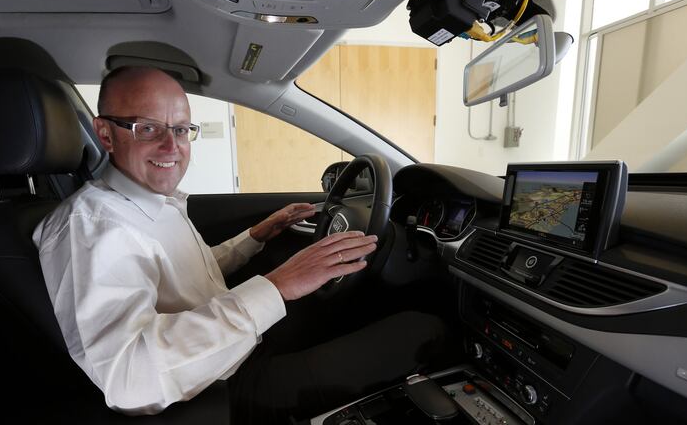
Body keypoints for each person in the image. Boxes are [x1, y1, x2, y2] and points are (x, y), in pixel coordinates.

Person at [34, 66, 446, 423]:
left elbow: (182, 278)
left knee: (355, 311)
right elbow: (128, 379)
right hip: (223, 391)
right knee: (423, 329)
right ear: (105, 134)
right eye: (147, 128)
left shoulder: (147, 203)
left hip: (235, 348)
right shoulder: (90, 228)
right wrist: (278, 286)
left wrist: (254, 237)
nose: (171, 147)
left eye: (180, 129)